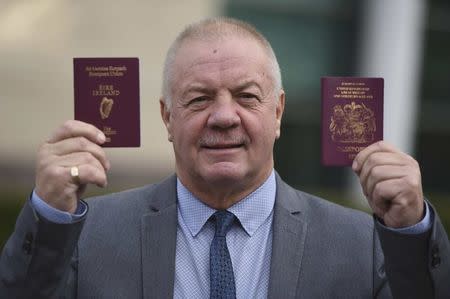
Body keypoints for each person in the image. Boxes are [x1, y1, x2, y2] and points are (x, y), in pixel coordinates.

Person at [1, 17, 449, 299]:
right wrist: (48, 217)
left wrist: (411, 229)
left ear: (277, 114)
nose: (222, 117)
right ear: (167, 118)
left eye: (246, 96)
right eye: (198, 99)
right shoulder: (86, 234)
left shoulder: (363, 243)